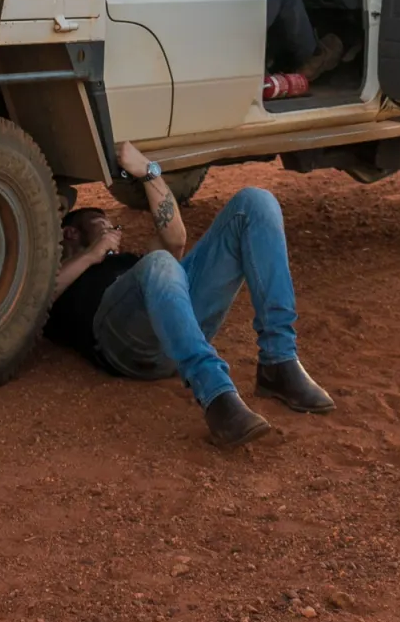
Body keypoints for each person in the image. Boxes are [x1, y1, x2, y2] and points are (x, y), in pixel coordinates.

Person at [44, 140, 335, 449]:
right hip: (123, 344)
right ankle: (216, 393)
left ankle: (279, 361)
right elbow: (38, 303)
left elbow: (175, 239)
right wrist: (91, 255)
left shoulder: (129, 263)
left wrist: (149, 172)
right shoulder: (50, 275)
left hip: (177, 332)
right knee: (159, 262)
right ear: (71, 232)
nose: (112, 230)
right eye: (101, 223)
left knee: (256, 203)